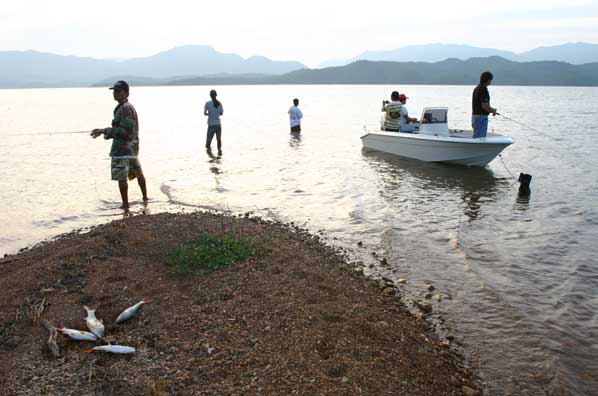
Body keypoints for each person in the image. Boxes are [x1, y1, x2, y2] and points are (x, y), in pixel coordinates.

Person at [91, 80, 147, 210]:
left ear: (126, 93)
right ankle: (145, 199)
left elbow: (125, 131)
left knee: (123, 177)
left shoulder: (125, 108)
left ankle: (126, 205)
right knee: (138, 173)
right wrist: (108, 134)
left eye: (118, 91)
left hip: (123, 149)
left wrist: (105, 131)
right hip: (132, 148)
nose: (115, 93)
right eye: (114, 91)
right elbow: (124, 130)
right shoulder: (125, 107)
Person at [472, 71, 497, 138]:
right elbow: (485, 106)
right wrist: (493, 110)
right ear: (488, 80)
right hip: (481, 118)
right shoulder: (483, 89)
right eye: (491, 80)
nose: (491, 81)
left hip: (475, 117)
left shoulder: (477, 88)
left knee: (477, 138)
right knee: (480, 139)